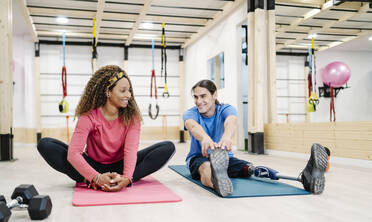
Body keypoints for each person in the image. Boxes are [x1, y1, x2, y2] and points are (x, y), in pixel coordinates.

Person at [37, 65, 175, 192]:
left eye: (129, 90)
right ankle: (90, 178)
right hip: (92, 165)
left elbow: (130, 151)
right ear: (108, 92)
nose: (129, 95)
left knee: (167, 147)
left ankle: (118, 180)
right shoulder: (88, 116)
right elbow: (74, 153)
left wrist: (127, 177)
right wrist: (95, 177)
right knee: (46, 145)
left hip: (121, 166)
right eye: (123, 90)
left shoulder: (132, 117)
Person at [182, 79, 330, 197]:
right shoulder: (190, 113)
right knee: (206, 168)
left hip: (225, 158)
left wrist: (227, 137)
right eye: (195, 97)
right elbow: (193, 126)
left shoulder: (226, 109)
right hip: (199, 158)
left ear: (214, 95)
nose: (198, 101)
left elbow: (231, 121)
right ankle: (218, 183)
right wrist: (205, 139)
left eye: (203, 96)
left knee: (251, 169)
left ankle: (304, 178)